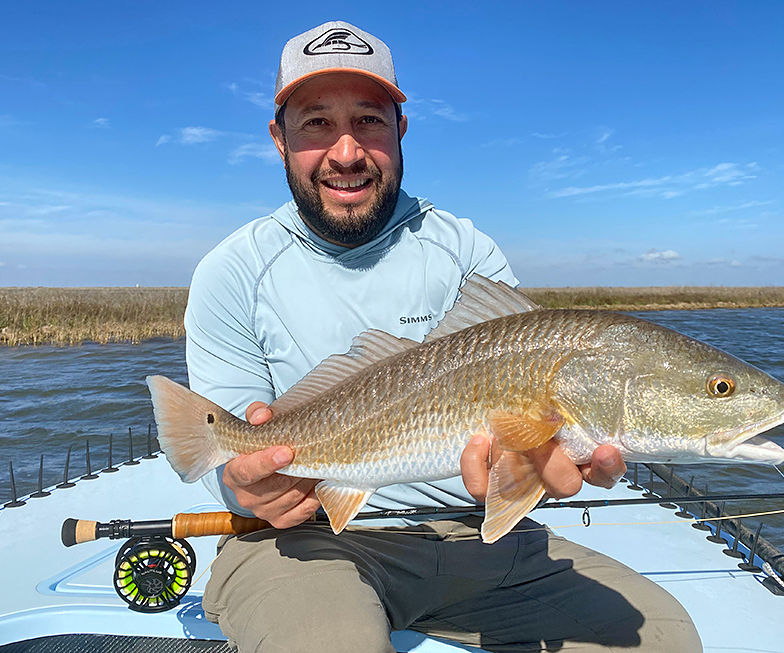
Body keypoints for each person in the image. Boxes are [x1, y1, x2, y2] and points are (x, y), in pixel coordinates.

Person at [185, 21, 702, 653]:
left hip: (480, 537)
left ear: (401, 128)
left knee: (663, 641)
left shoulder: (466, 252)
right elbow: (232, 461)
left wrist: (538, 466)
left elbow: (522, 451)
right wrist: (246, 483)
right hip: (301, 539)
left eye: (369, 120)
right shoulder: (232, 269)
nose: (346, 153)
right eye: (316, 123)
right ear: (278, 137)